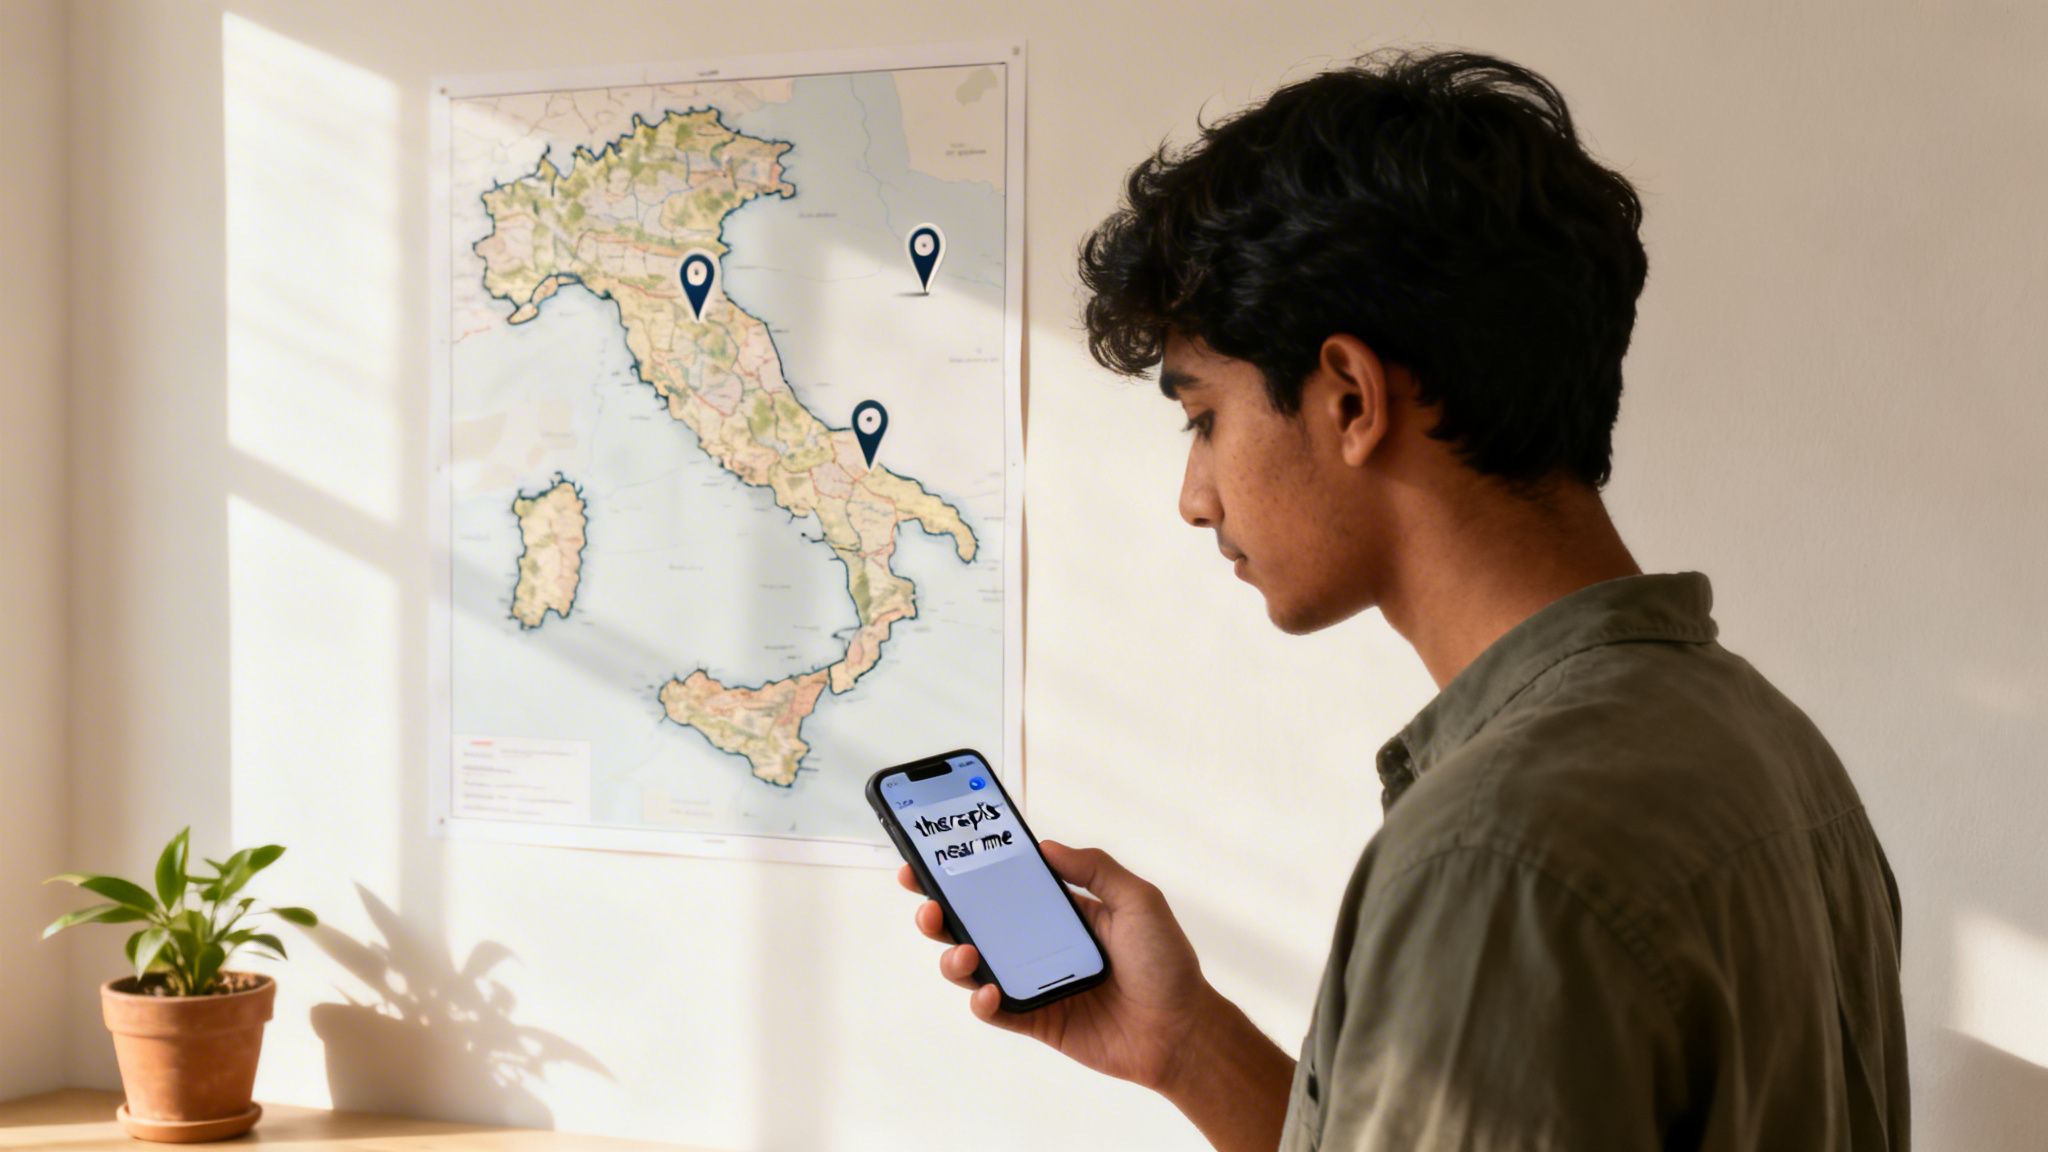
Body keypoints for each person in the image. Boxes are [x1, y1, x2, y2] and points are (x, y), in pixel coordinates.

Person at [897, 47, 1909, 1150]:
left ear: (1348, 396)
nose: (1193, 498)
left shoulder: (1489, 856)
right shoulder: (1763, 742)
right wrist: (1186, 1046)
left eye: (1202, 421)